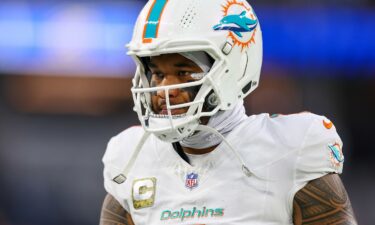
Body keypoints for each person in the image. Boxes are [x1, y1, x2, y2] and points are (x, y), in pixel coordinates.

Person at [100, 0, 357, 224]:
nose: (165, 89)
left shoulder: (290, 148)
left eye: (183, 73)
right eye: (158, 74)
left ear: (232, 70)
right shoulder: (131, 158)